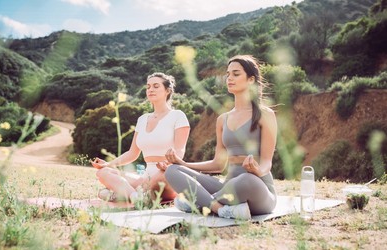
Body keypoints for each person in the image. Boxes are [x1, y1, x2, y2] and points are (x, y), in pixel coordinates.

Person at [164, 55, 277, 220]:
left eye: (236, 74)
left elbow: (267, 161)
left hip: (257, 188)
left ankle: (198, 202)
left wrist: (257, 170)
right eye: (228, 74)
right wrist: (182, 163)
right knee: (172, 171)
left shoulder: (265, 114)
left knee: (245, 179)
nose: (229, 78)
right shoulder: (222, 119)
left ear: (251, 79)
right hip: (227, 188)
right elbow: (218, 164)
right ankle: (219, 208)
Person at [91, 72, 190, 204]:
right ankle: (136, 196)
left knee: (105, 193)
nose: (150, 90)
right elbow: (132, 153)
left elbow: (180, 150)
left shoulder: (178, 116)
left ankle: (122, 193)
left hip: (166, 174)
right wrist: (109, 164)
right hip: (144, 177)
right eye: (148, 87)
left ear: (167, 90)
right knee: (103, 173)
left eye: (156, 86)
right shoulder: (142, 119)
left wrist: (168, 165)